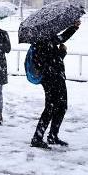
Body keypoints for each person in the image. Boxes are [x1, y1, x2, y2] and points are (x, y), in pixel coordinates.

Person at [30, 21, 80, 149]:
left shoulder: (48, 40)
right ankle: (37, 137)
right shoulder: (42, 41)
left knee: (61, 106)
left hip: (57, 78)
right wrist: (73, 28)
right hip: (51, 80)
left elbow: (54, 58)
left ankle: (53, 135)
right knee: (50, 108)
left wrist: (61, 53)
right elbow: (49, 60)